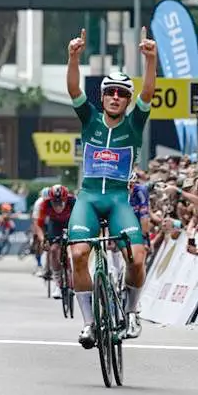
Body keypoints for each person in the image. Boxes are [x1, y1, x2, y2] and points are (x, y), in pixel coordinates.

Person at [66, 26, 157, 348]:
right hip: (88, 198)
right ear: (102, 97)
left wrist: (151, 60)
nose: (115, 97)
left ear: (127, 100)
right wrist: (73, 58)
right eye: (110, 93)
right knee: (78, 253)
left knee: (136, 256)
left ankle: (132, 313)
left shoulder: (134, 124)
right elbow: (74, 88)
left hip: (119, 199)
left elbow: (148, 93)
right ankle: (89, 323)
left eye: (121, 94)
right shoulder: (89, 119)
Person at [37, 185, 76, 298]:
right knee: (54, 250)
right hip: (55, 225)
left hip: (70, 223)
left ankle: (73, 276)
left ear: (66, 199)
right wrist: (43, 239)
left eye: (60, 203)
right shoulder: (45, 204)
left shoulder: (73, 201)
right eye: (55, 202)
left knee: (74, 249)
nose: (58, 206)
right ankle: (58, 283)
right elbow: (39, 225)